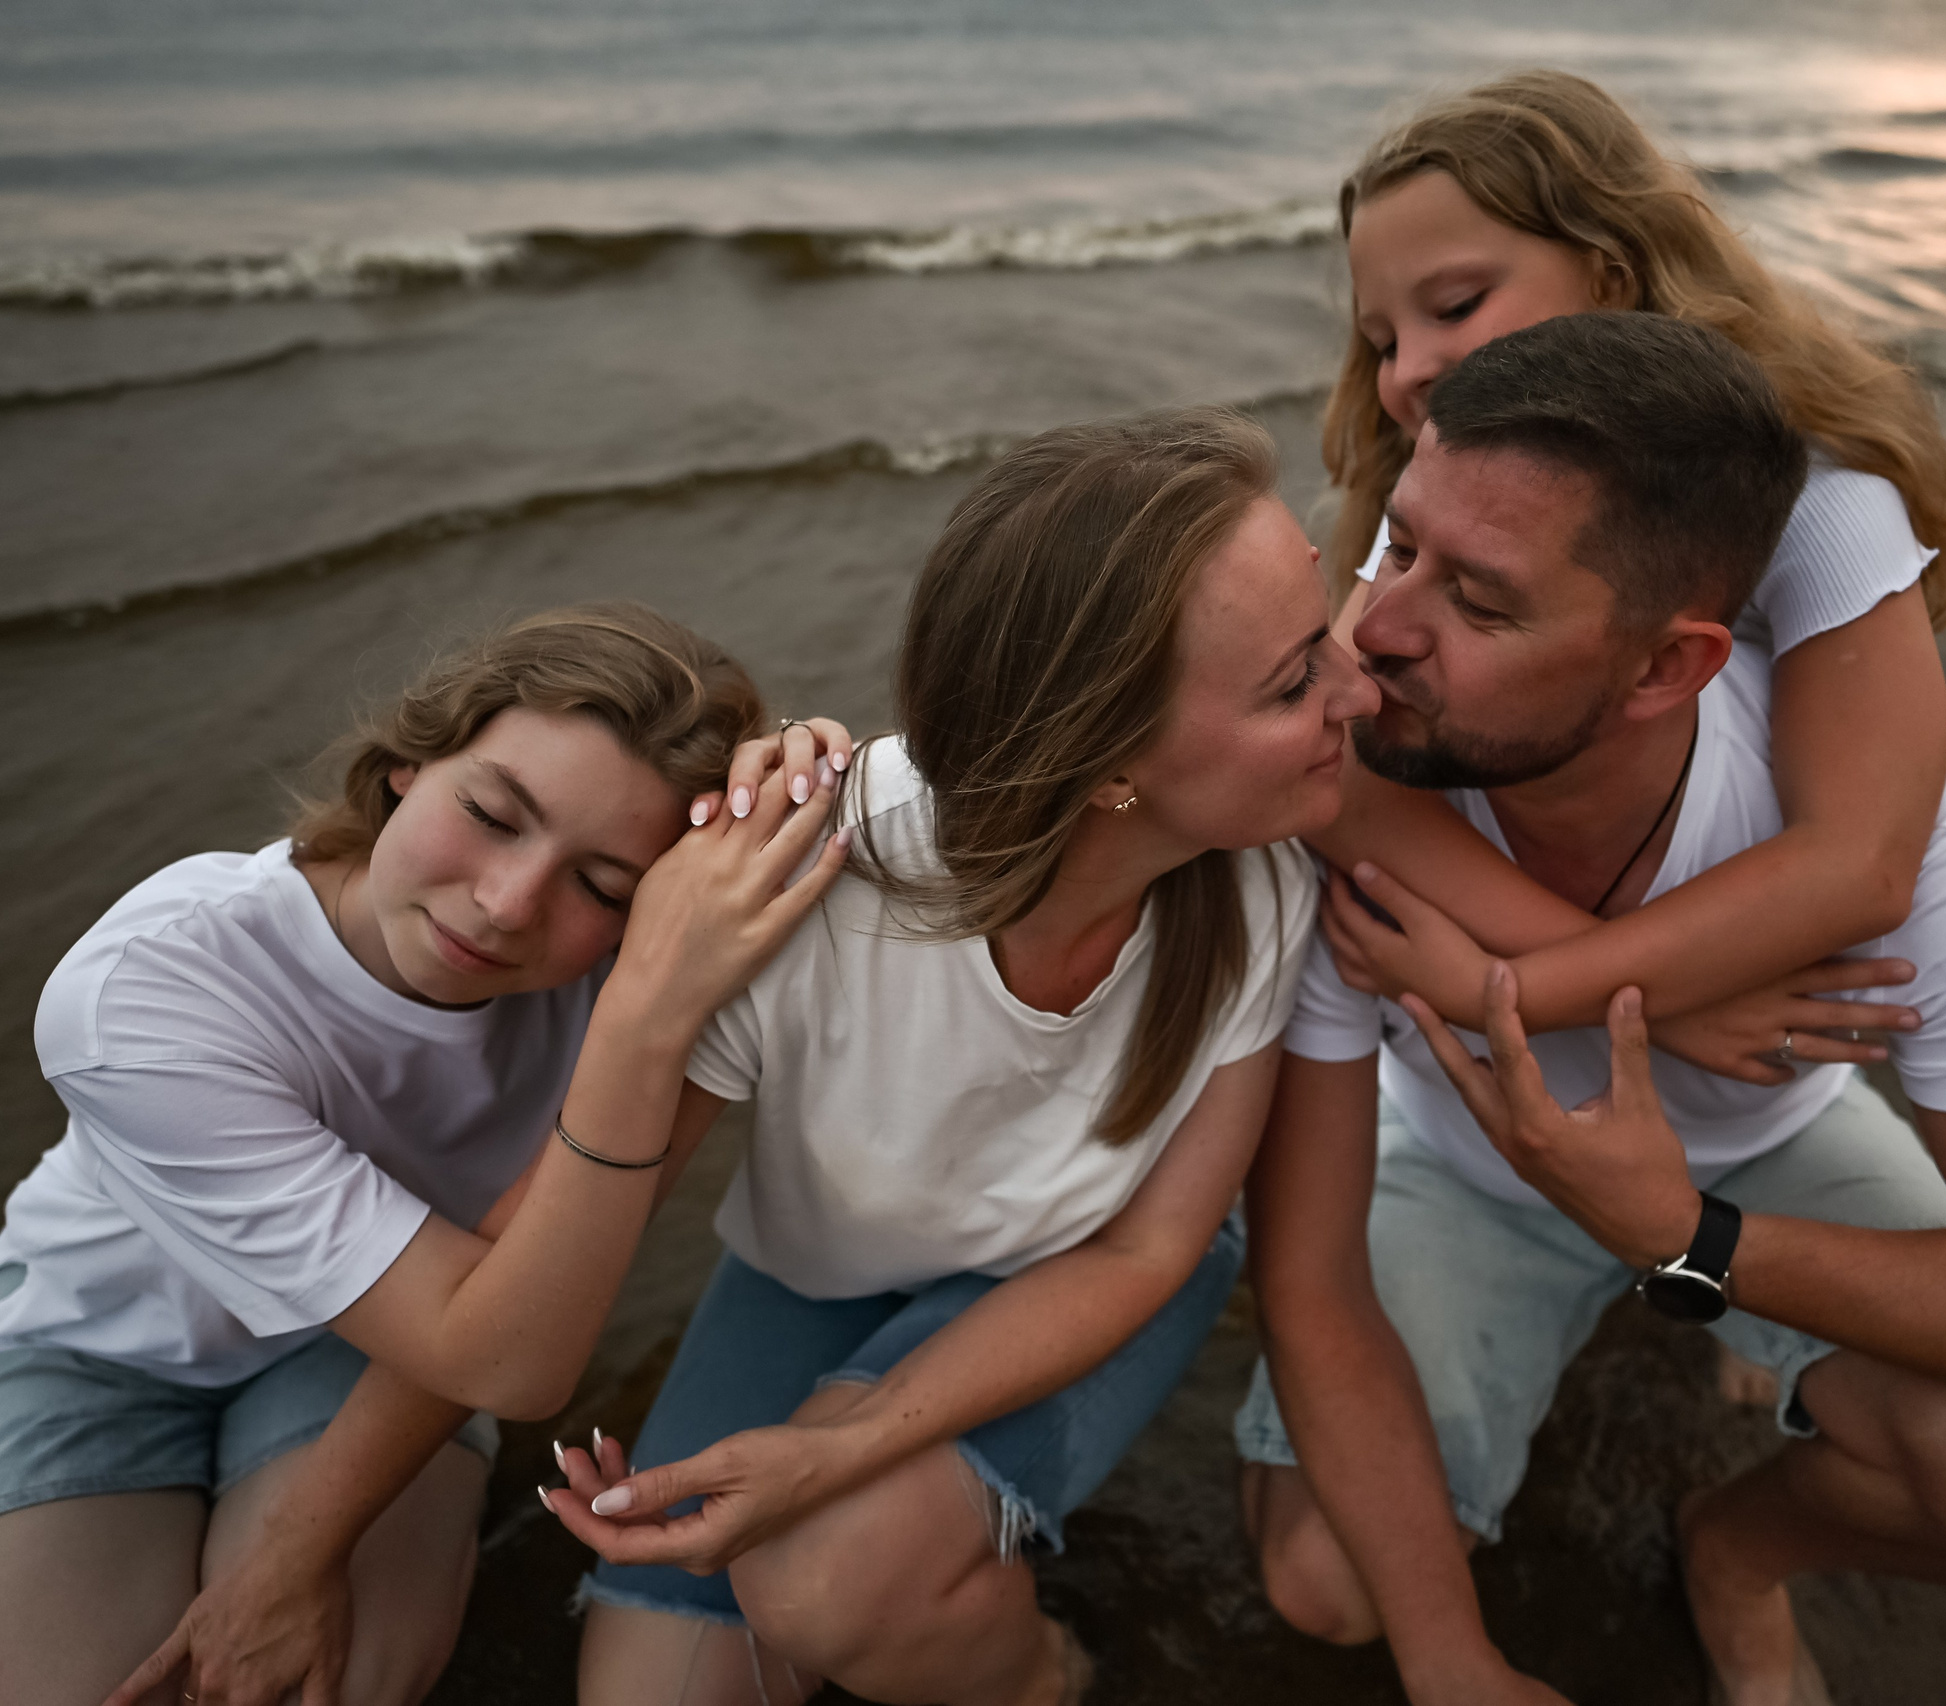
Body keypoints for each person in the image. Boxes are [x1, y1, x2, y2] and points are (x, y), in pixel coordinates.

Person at [1236, 315, 1946, 1705]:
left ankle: (1736, 1550)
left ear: (1668, 667)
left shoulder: (1928, 837)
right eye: (1395, 547)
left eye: (1480, 599)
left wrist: (1689, 1235)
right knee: (1325, 1582)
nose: (1377, 634)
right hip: (1462, 1165)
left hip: (1766, 1148)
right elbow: (1310, 1276)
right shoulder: (1332, 768)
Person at [541, 406, 1375, 1706]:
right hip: (826, 1269)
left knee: (824, 1575)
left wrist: (853, 1439)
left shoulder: (1253, 882)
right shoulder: (806, 878)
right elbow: (557, 1245)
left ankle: (1043, 1672)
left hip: (1097, 1262)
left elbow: (1149, 1249)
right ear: (1104, 767)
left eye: (1321, 646)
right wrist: (647, 987)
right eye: (1295, 682)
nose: (1359, 695)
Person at [0, 605, 851, 1706]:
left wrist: (806, 773)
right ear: (407, 759)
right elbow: (498, 1339)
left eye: (603, 885)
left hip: (398, 1342)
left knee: (324, 1684)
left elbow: (507, 1348)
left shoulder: (638, 980)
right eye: (492, 812)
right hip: (96, 1344)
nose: (506, 905)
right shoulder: (147, 991)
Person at [1310, 69, 1946, 1081]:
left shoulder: (1824, 498)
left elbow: (1861, 862)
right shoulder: (1445, 503)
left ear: (1612, 272)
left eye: (1454, 305)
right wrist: (1652, 1004)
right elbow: (1343, 775)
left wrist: (1515, 992)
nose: (1406, 368)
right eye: (1382, 341)